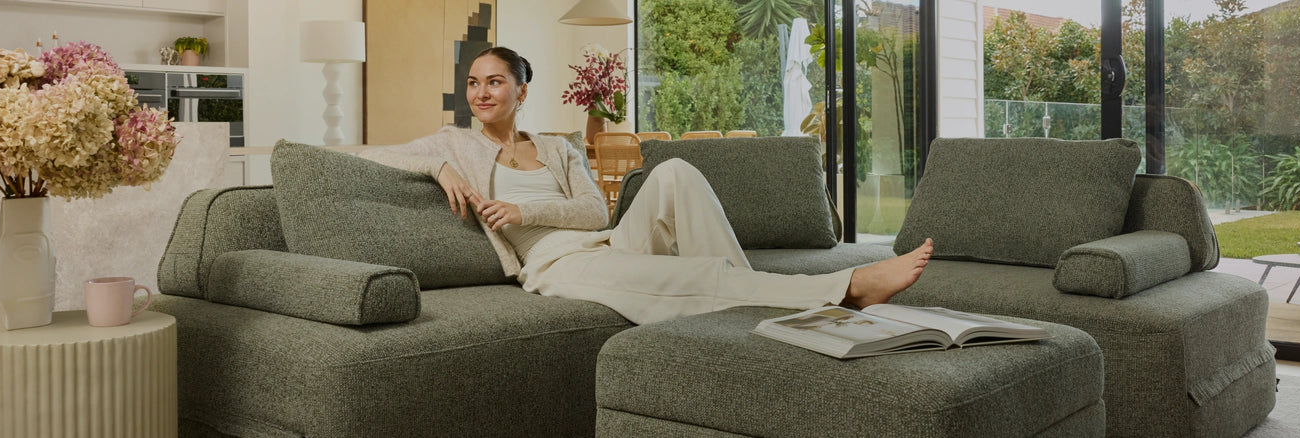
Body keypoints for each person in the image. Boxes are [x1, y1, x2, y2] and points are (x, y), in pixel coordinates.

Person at [358, 46, 933, 325]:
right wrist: (438, 167)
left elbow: (596, 215)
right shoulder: (451, 143)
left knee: (677, 171)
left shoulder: (556, 146)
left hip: (602, 245)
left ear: (521, 90)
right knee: (688, 272)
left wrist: (524, 210)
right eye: (473, 83)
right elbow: (352, 151)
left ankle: (754, 307)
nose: (481, 93)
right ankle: (847, 289)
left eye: (495, 82)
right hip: (554, 266)